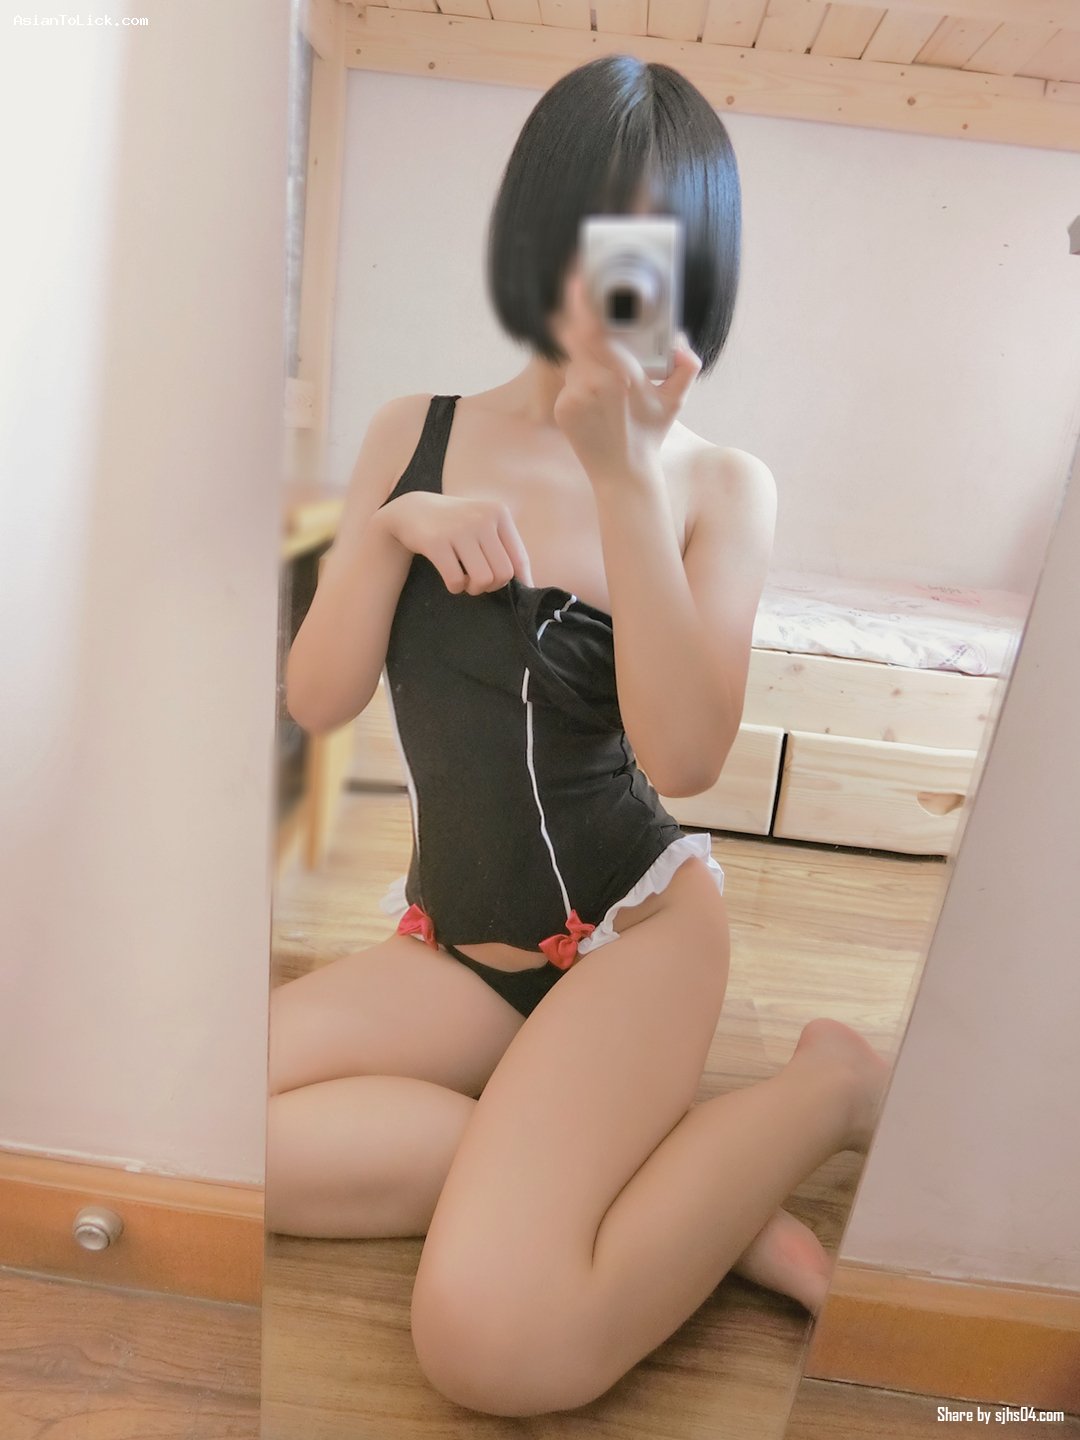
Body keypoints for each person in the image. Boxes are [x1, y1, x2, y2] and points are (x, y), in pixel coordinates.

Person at [268, 54, 889, 1418]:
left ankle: (831, 1088)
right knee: (206, 1119)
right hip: (453, 949)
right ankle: (641, 1192)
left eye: (646, 244)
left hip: (633, 938)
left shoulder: (721, 485)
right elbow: (315, 701)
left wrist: (622, 475)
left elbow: (685, 758)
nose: (601, 269)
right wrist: (387, 533)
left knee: (495, 1346)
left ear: (692, 271)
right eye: (578, 223)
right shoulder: (413, 432)